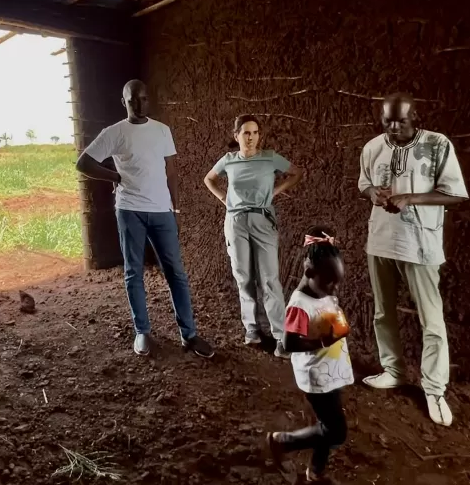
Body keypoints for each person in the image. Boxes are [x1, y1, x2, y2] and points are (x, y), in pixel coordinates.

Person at [75, 80, 214, 359]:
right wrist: (114, 176)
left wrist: (174, 209)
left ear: (148, 100)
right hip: (130, 210)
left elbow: (171, 172)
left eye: (143, 99)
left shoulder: (162, 131)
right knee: (133, 272)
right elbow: (84, 163)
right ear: (123, 102)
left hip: (162, 211)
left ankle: (189, 334)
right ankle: (142, 332)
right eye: (132, 100)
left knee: (175, 272)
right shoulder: (114, 133)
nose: (138, 105)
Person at [358, 93, 468, 427]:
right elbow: (363, 183)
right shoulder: (373, 146)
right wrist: (372, 193)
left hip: (420, 245)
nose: (393, 127)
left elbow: (456, 194)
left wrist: (412, 198)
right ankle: (393, 370)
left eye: (401, 121)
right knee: (382, 311)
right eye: (387, 120)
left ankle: (434, 388)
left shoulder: (437, 145)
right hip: (380, 241)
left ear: (415, 117)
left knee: (431, 320)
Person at [266, 228, 356, 485]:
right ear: (309, 274)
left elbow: (328, 318)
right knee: (335, 432)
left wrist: (335, 326)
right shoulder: (299, 304)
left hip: (331, 369)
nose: (334, 288)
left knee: (327, 427)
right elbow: (289, 344)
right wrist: (323, 342)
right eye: (329, 283)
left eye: (336, 283)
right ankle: (282, 442)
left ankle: (316, 474)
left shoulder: (322, 290)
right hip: (317, 376)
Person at [204, 115, 303, 357]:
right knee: (243, 276)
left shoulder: (269, 158)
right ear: (236, 135)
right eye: (246, 133)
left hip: (262, 220)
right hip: (236, 222)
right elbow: (209, 179)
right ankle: (252, 329)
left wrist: (275, 192)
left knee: (269, 279)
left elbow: (297, 173)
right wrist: (223, 199)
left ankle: (281, 336)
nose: (251, 137)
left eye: (255, 132)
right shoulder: (228, 161)